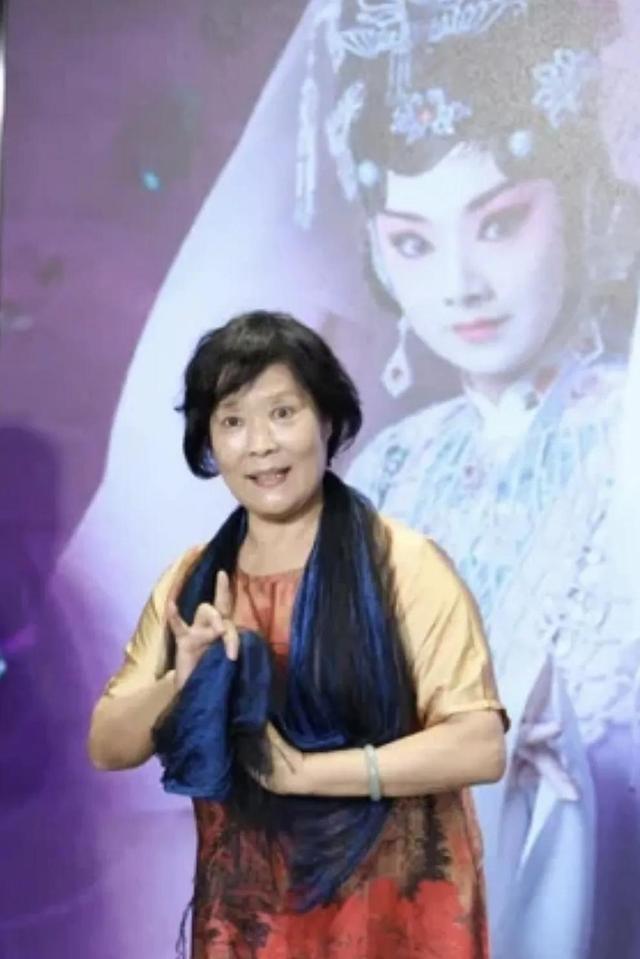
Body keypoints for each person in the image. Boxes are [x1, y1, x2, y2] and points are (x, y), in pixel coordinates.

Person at [299, 2, 640, 957]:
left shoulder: (624, 430)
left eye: (499, 224)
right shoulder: (390, 474)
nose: (460, 284)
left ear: (577, 203)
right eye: (414, 241)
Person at [88, 310, 507, 959]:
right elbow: (108, 746)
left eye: (282, 413)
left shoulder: (403, 563)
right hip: (250, 922)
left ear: (327, 420)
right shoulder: (192, 582)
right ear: (208, 442)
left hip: (393, 916)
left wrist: (307, 772)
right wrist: (180, 680)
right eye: (232, 421)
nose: (260, 444)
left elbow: (479, 745)